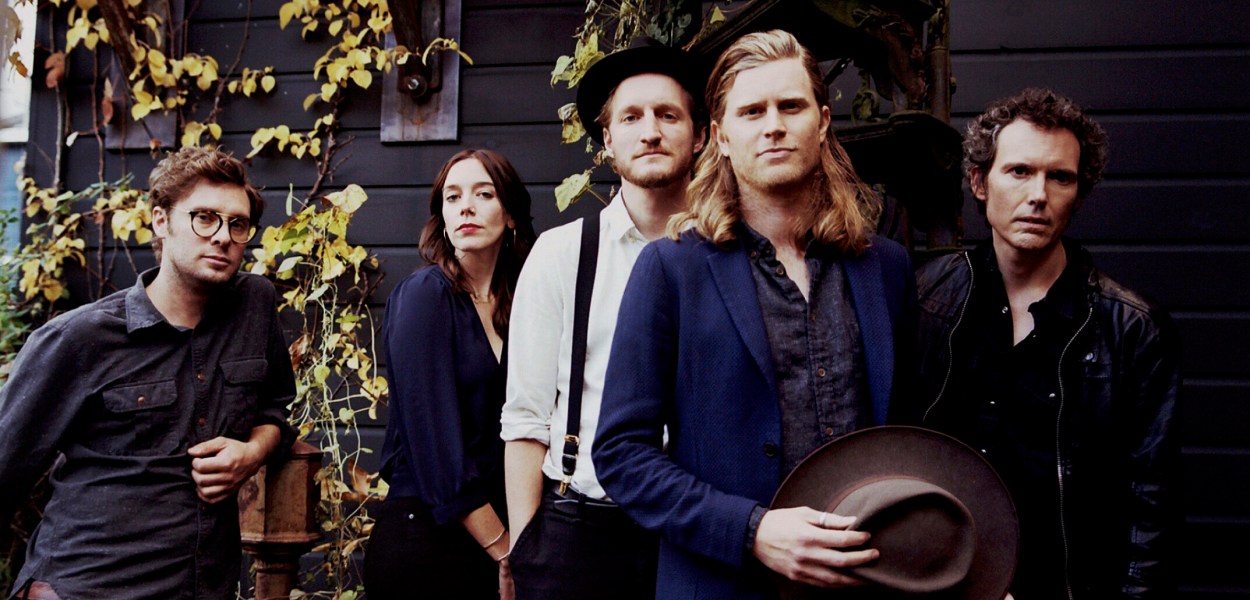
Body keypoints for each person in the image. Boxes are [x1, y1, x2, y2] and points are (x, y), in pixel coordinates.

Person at [592, 29, 916, 600]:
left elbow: (912, 435)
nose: (773, 126)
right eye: (751, 112)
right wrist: (751, 531)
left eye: (790, 106)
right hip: (724, 583)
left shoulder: (884, 267)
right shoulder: (671, 269)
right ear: (720, 136)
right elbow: (622, 455)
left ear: (822, 122)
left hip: (870, 578)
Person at [906, 88, 1180, 599]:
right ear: (978, 182)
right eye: (1019, 171)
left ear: (1079, 192)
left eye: (1060, 177)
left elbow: (1153, 507)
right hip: (942, 584)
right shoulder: (926, 298)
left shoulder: (1132, 328)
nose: (1038, 194)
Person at [0, 146, 297, 600]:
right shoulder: (79, 338)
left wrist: (253, 451)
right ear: (161, 221)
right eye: (204, 218)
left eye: (237, 224)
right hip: (86, 587)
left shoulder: (253, 306)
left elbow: (274, 409)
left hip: (202, 588)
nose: (222, 236)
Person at [499, 37, 706, 600]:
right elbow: (526, 417)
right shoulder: (563, 252)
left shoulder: (728, 253)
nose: (651, 131)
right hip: (580, 533)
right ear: (608, 139)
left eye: (668, 115)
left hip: (697, 532)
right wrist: (527, 551)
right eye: (631, 117)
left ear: (700, 135)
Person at [363, 149, 536, 600]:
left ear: (511, 214)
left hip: (496, 535)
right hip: (427, 539)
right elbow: (436, 449)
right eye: (453, 197)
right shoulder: (424, 296)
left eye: (484, 194)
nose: (466, 207)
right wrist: (504, 551)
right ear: (441, 217)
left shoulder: (524, 302)